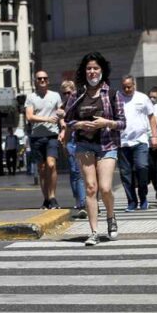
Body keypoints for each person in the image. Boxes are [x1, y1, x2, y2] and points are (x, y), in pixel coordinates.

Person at [63, 51, 126, 246]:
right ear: (84, 71)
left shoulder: (113, 94)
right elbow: (68, 119)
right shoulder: (76, 94)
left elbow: (122, 123)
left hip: (107, 145)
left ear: (102, 71)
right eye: (88, 68)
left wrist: (105, 122)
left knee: (105, 188)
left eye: (95, 68)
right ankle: (94, 232)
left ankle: (110, 216)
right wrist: (79, 125)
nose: (92, 72)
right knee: (91, 188)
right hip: (84, 145)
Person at [119, 75, 157, 212]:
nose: (126, 89)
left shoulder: (143, 98)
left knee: (142, 167)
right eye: (124, 86)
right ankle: (131, 201)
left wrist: (154, 136)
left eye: (129, 86)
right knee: (126, 174)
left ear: (134, 85)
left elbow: (151, 117)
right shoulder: (117, 98)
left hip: (140, 140)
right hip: (122, 142)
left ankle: (143, 198)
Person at [26, 70, 64, 209]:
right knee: (42, 169)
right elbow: (29, 117)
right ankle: (46, 199)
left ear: (48, 81)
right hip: (36, 137)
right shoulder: (30, 98)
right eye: (39, 78)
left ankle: (53, 196)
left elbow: (61, 113)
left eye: (45, 78)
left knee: (51, 164)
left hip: (52, 135)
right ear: (35, 81)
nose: (42, 80)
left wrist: (63, 126)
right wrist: (47, 118)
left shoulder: (55, 96)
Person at [59, 80, 87, 218]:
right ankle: (79, 199)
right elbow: (63, 125)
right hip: (70, 141)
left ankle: (84, 203)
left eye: (69, 92)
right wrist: (63, 133)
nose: (67, 95)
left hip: (82, 140)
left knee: (82, 173)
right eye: (64, 93)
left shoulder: (80, 103)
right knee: (74, 172)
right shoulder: (62, 107)